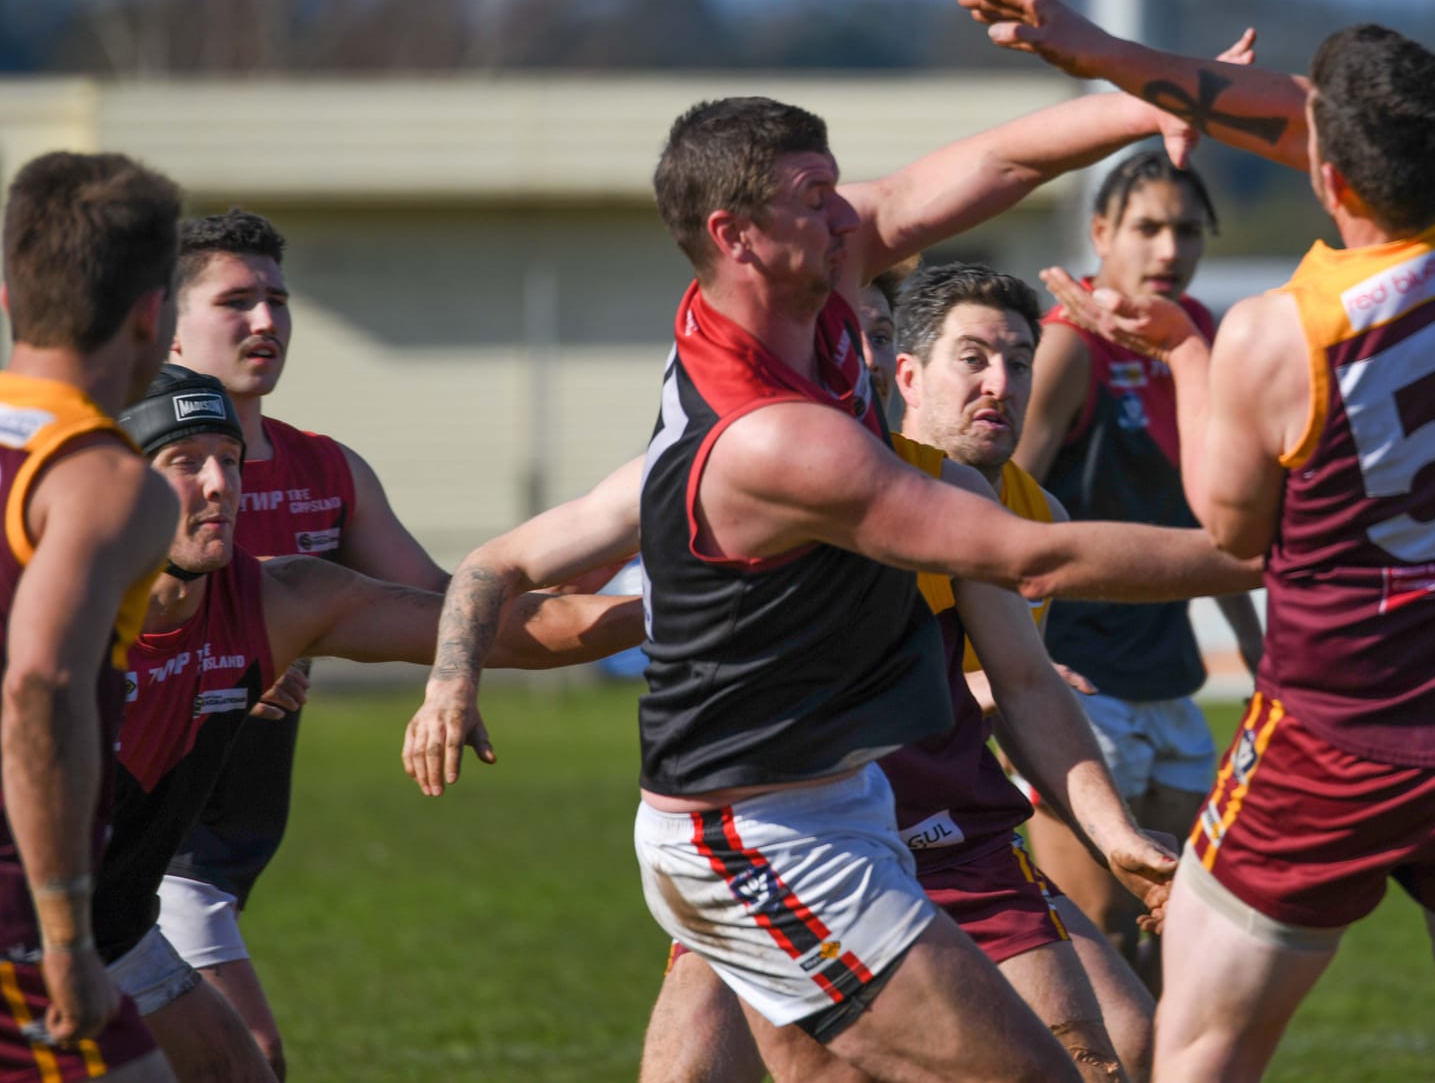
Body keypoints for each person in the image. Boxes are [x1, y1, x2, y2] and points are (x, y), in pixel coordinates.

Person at [406, 81, 1265, 1081]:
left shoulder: (804, 304)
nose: (846, 212)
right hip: (754, 836)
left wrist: (1138, 97)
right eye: (814, 197)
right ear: (735, 235)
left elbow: (979, 172)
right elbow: (1030, 556)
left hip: (842, 800)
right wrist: (1272, 550)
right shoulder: (777, 441)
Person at [963, 0, 1435, 1082]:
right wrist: (1109, 56)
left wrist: (1179, 350)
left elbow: (1231, 531)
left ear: (1324, 175)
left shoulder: (1279, 335)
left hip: (1340, 739)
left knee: (1203, 1047)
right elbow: (1291, 112)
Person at [103, 366, 645, 1082]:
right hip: (27, 921)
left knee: (242, 1069)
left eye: (229, 459)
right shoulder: (55, 613)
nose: (218, 484)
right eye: (183, 462)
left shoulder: (275, 597)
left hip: (114, 921)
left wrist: (684, 611)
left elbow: (509, 629)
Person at [156, 208, 451, 1078]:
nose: (265, 322)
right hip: (141, 835)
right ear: (167, 322)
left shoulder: (327, 471)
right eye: (235, 300)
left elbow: (445, 606)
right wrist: (213, 657)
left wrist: (647, 575)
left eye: (278, 300)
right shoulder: (120, 465)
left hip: (229, 840)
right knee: (246, 1056)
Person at [1015, 151, 1264, 983]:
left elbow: (1220, 517)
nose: (1169, 249)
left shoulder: (1199, 335)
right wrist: (1007, 657)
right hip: (1078, 689)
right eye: (1147, 227)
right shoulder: (1068, 345)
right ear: (1100, 234)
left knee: (1181, 941)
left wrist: (1262, 648)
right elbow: (996, 512)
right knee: (1098, 947)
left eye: (1187, 229)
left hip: (1170, 681)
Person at [0, 152, 182, 1083]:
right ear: (154, 312)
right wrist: (65, 933)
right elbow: (40, 681)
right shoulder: (107, 484)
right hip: (16, 926)